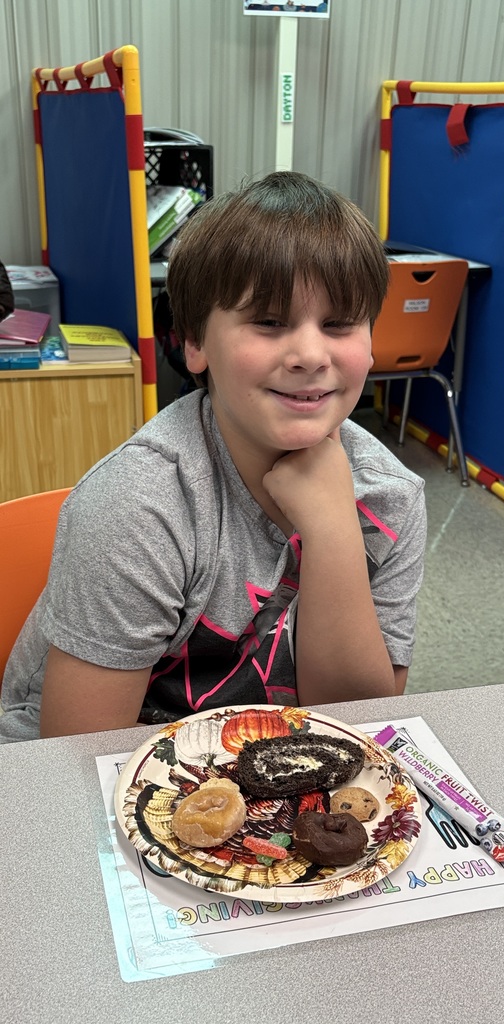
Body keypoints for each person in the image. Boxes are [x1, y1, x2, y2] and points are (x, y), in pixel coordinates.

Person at [0, 171, 427, 742]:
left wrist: (333, 530)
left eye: (339, 323)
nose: (309, 353)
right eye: (270, 323)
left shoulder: (390, 496)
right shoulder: (136, 507)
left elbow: (358, 726)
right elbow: (81, 753)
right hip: (92, 777)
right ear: (195, 344)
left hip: (267, 775)